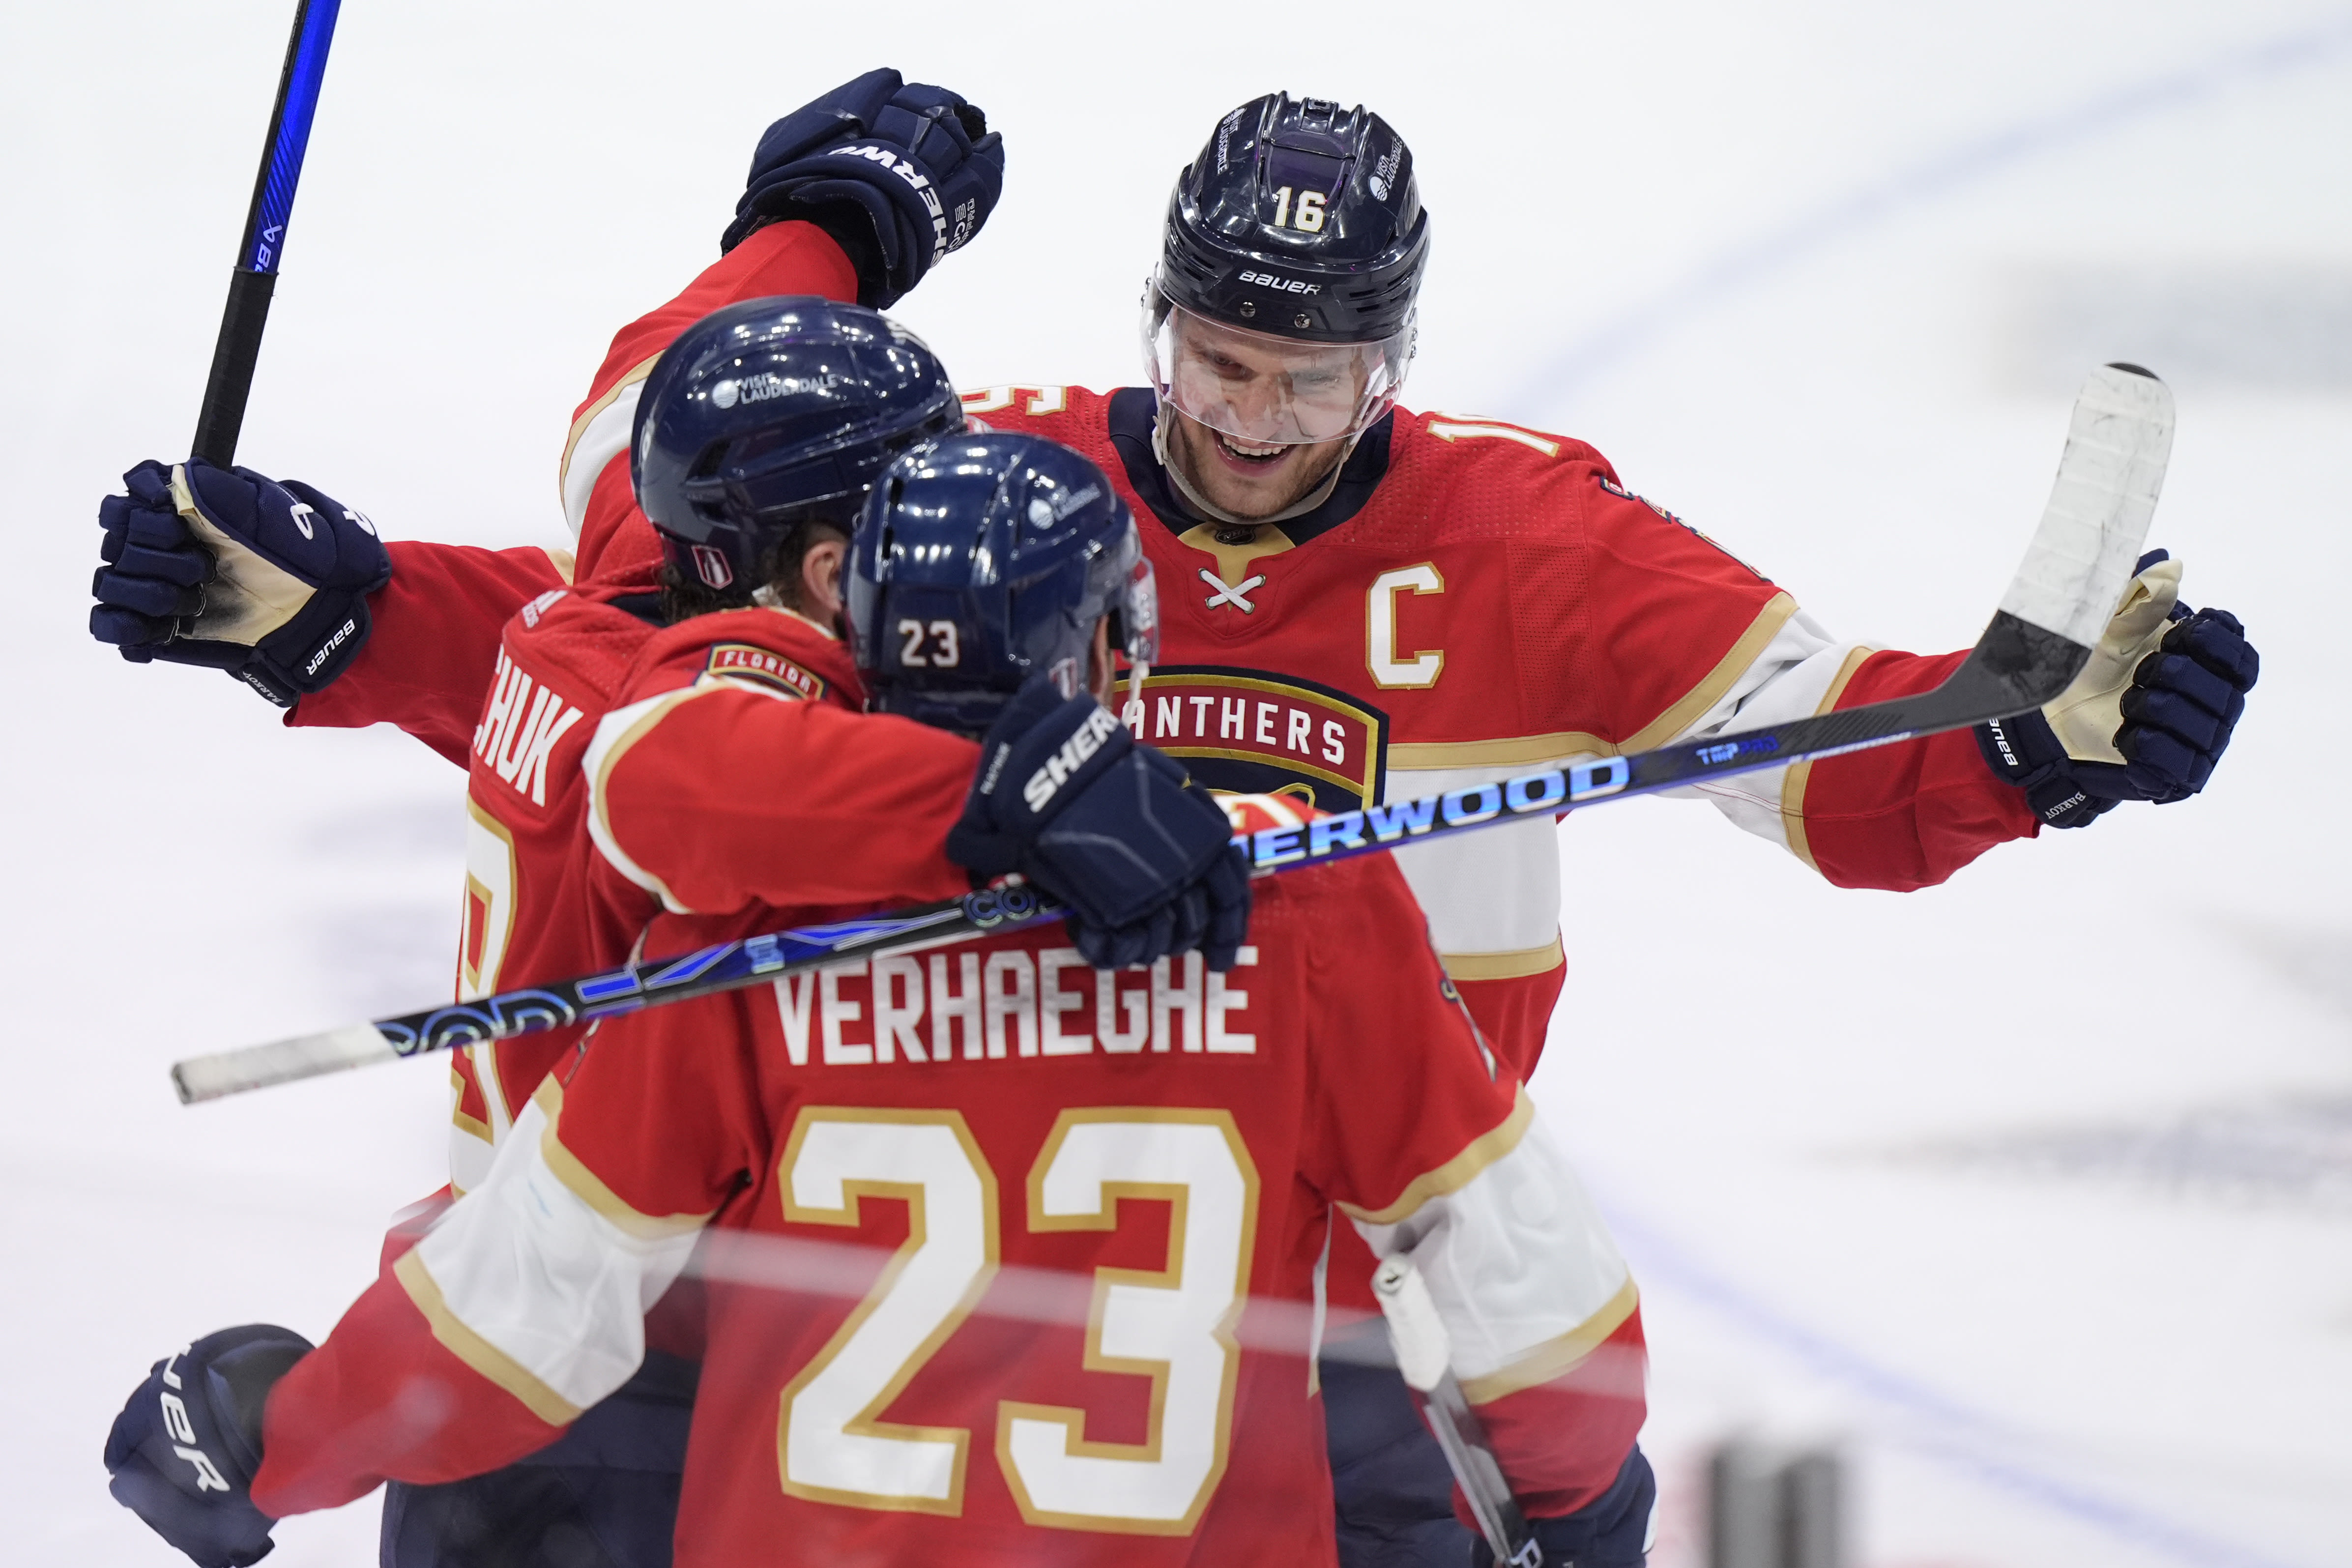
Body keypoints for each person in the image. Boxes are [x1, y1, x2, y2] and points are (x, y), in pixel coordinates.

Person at [88, 82, 2261, 1566]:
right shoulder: (1005, 485)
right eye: (1219, 365)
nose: (1250, 422)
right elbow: (670, 614)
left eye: (1309, 383)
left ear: (1392, 355)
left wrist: (2021, 752)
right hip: (967, 1304)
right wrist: (355, 619)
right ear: (1161, 323)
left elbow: (1828, 760)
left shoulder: (1528, 543)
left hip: (1341, 1297)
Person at [105, 432, 1655, 1568]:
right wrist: (1583, 1512)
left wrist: (280, 1448)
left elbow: (516, 1314)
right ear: (1114, 646)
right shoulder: (1298, 901)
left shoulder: (740, 942)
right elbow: (1532, 1295)